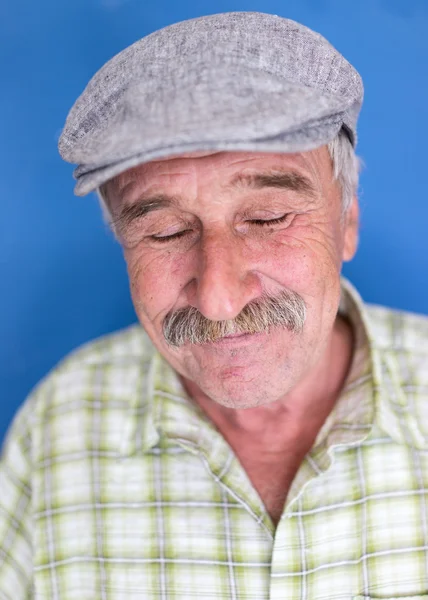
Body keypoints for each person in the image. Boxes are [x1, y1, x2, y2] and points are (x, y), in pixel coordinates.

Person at [1, 11, 428, 600]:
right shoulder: (56, 428)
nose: (220, 300)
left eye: (266, 219)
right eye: (167, 231)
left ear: (347, 223)